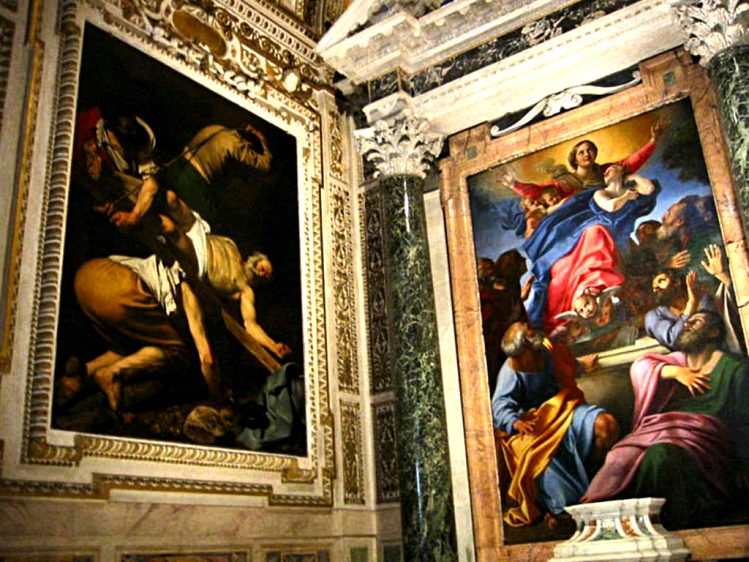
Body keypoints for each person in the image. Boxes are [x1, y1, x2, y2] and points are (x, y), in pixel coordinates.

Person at [67, 195, 290, 411]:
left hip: (89, 277)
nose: (262, 273)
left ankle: (83, 373)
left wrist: (273, 346)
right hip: (122, 282)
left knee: (127, 345)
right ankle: (112, 373)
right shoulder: (226, 248)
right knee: (177, 353)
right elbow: (207, 358)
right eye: (264, 266)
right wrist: (218, 398)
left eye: (266, 276)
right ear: (257, 256)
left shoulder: (243, 290)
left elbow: (250, 325)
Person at [582, 310, 749, 529]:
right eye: (687, 322)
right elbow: (640, 366)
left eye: (696, 322)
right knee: (619, 456)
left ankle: (658, 527)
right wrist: (676, 373)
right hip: (662, 432)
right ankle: (606, 524)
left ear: (713, 332)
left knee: (660, 455)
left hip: (707, 443)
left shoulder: (735, 368)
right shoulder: (678, 361)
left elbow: (743, 425)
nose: (686, 325)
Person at [492, 322, 619, 528]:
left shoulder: (547, 351)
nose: (515, 362)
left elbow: (566, 366)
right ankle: (557, 506)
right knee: (566, 498)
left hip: (564, 411)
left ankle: (597, 485)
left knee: (607, 426)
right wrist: (515, 422)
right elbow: (500, 405)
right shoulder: (511, 370)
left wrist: (581, 367)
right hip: (535, 427)